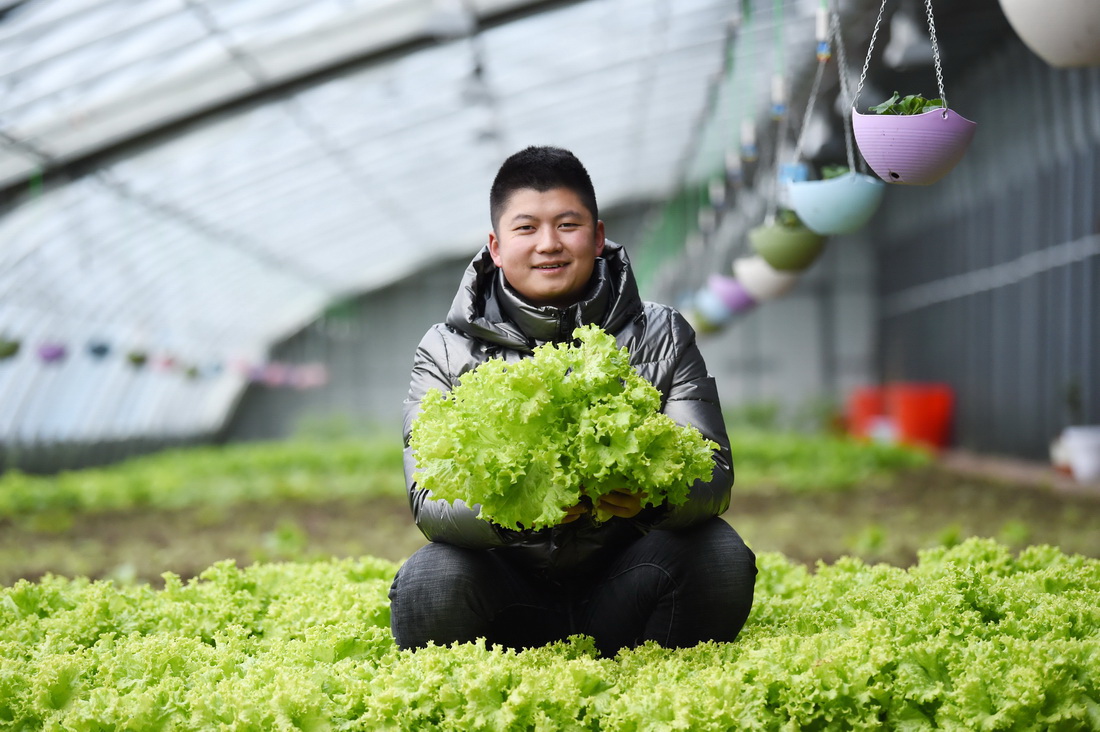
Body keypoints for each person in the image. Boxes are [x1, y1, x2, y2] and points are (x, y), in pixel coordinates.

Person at [388, 145, 756, 657]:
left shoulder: (661, 333)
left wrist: (655, 498)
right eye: (526, 229)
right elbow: (429, 500)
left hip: (629, 581)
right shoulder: (446, 350)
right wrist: (516, 511)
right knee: (431, 579)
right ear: (495, 246)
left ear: (599, 235)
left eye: (567, 225)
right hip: (508, 592)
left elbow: (713, 473)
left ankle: (652, 691)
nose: (548, 245)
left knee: (718, 555)